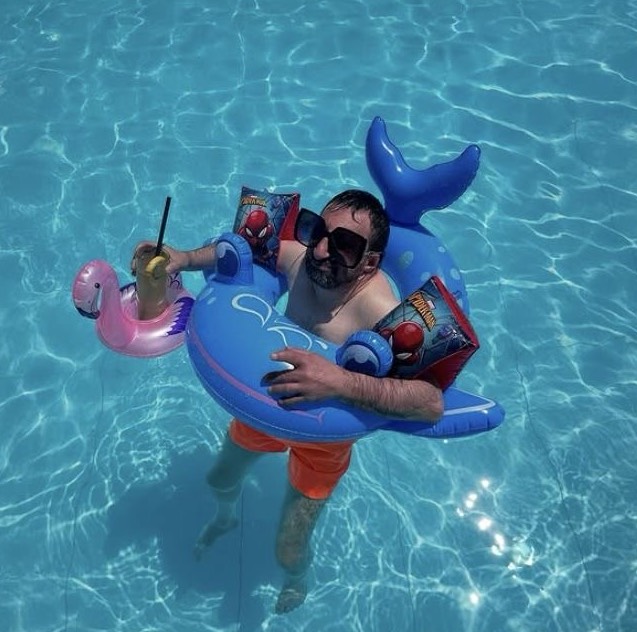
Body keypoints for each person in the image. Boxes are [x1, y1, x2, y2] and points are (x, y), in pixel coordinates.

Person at [132, 190, 444, 614]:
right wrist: (183, 258)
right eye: (317, 230)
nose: (322, 249)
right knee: (219, 480)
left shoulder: (380, 310)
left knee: (288, 549)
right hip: (268, 405)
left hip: (324, 441)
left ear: (370, 263)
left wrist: (341, 382)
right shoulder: (301, 260)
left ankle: (297, 578)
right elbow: (243, 250)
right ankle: (226, 518)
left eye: (344, 244)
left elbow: (430, 402)